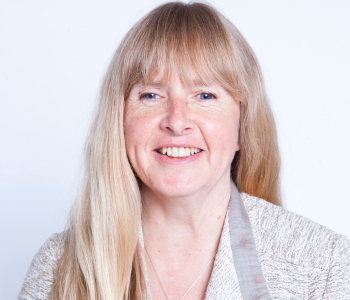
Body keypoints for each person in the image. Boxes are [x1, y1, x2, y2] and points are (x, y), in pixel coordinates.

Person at [18, 2, 350, 299]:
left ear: (242, 128)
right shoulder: (58, 270)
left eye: (204, 96)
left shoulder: (324, 271)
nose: (177, 121)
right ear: (118, 121)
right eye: (151, 95)